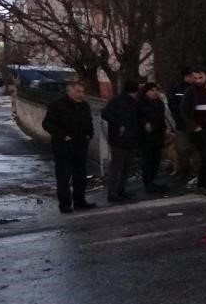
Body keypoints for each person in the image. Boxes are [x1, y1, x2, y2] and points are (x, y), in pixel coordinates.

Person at [42, 81, 96, 214]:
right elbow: (48, 123)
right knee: (64, 178)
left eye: (83, 92)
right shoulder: (57, 105)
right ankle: (65, 204)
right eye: (78, 91)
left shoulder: (84, 106)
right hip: (63, 148)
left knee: (80, 177)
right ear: (69, 91)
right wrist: (63, 135)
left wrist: (90, 134)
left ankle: (80, 201)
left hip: (80, 146)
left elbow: (89, 122)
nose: (81, 94)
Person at [101, 81, 142, 202]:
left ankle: (119, 191)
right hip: (121, 139)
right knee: (118, 167)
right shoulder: (121, 101)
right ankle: (114, 192)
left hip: (125, 138)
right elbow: (105, 113)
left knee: (123, 167)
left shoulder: (126, 101)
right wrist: (119, 125)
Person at [137, 82, 169, 193]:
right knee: (148, 161)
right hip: (146, 137)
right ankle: (148, 183)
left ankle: (152, 181)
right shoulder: (141, 103)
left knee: (156, 160)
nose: (154, 92)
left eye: (156, 90)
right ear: (146, 92)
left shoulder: (159, 103)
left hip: (158, 134)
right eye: (151, 90)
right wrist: (145, 123)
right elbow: (138, 117)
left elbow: (161, 118)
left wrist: (165, 129)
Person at [167, 67, 197, 179]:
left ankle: (193, 170)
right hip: (182, 123)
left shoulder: (195, 88)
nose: (194, 79)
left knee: (194, 148)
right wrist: (180, 115)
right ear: (187, 76)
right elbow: (172, 104)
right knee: (182, 148)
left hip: (194, 123)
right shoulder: (178, 89)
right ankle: (185, 170)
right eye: (192, 76)